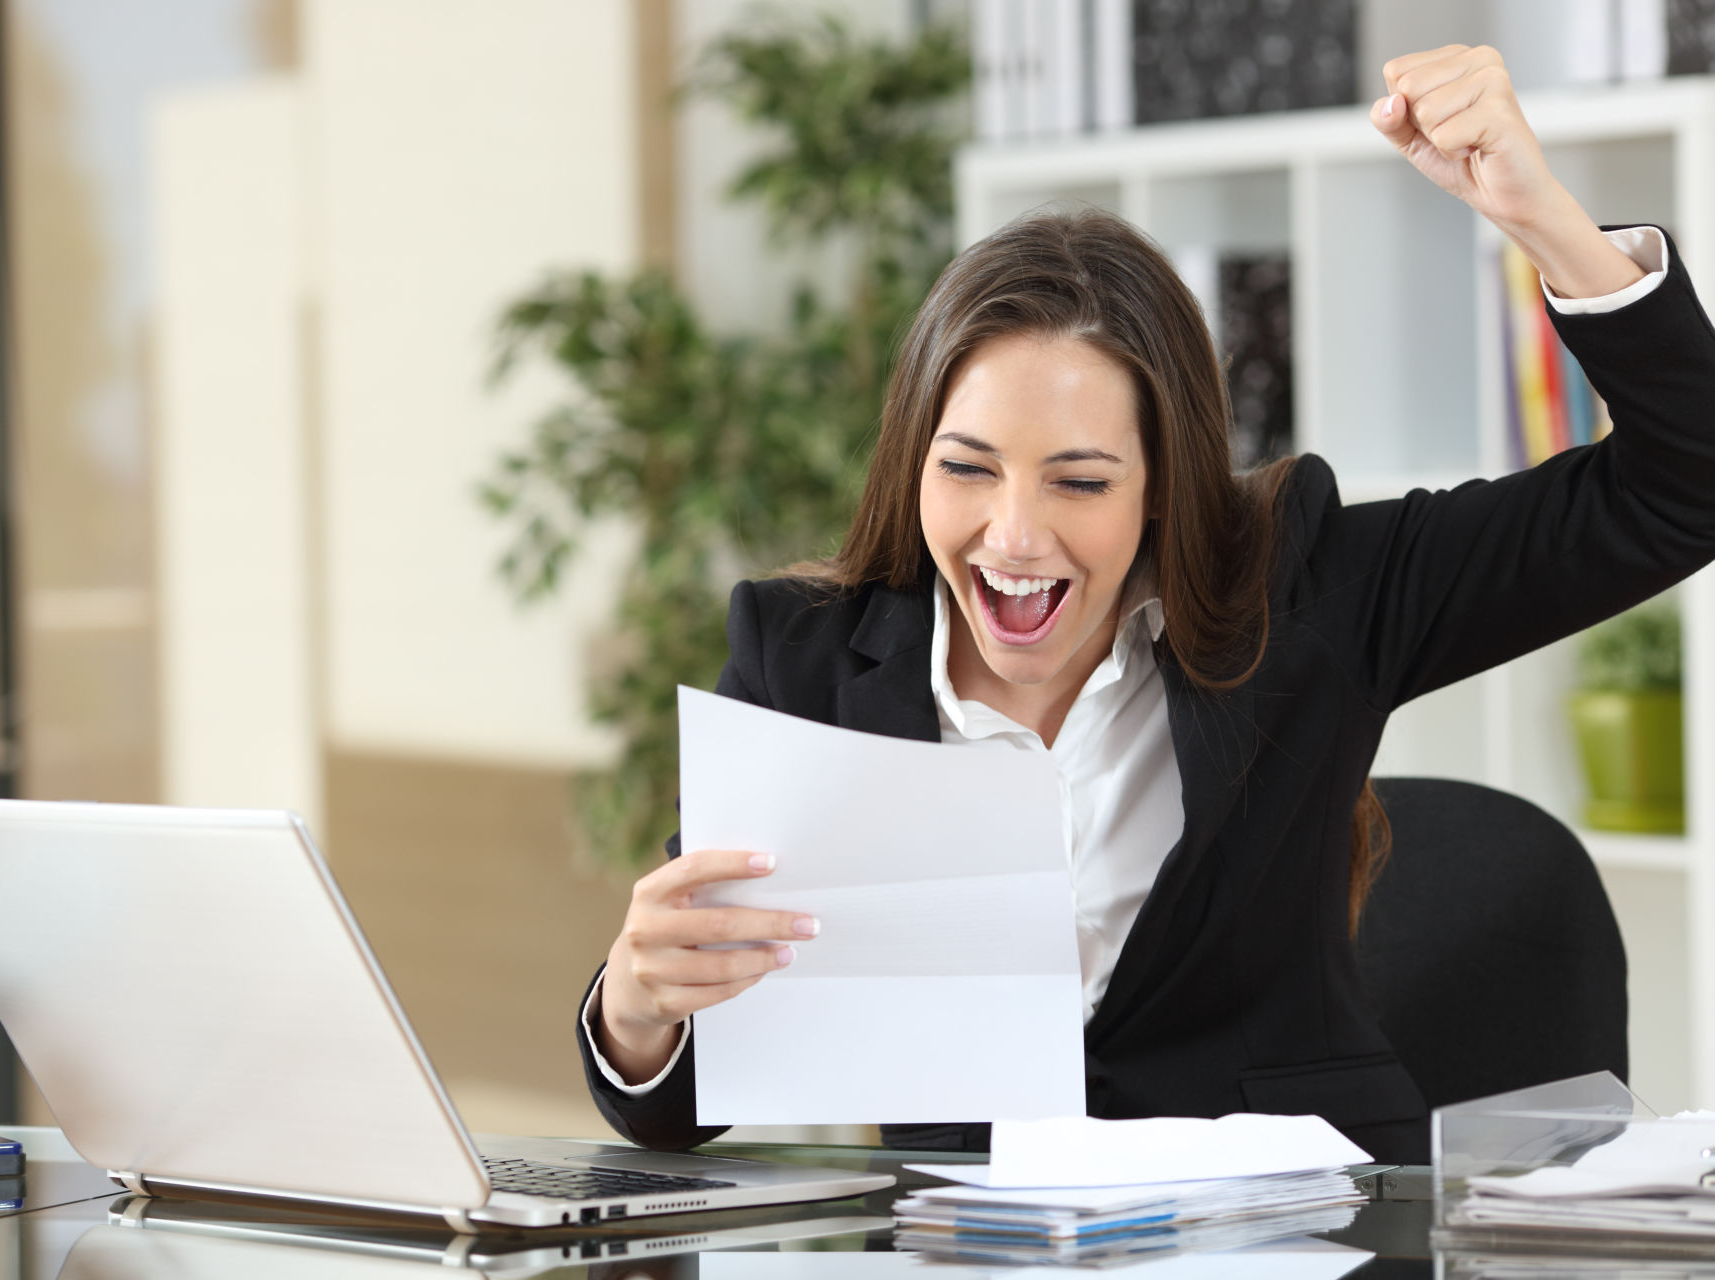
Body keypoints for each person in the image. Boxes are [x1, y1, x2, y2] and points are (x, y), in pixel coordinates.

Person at [573, 45, 1715, 1163]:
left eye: (1079, 480)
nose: (1014, 535)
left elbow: (1684, 487)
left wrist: (1546, 221)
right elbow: (679, 1094)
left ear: (1165, 484)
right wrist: (639, 1008)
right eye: (967, 468)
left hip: (1299, 1231)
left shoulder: (1309, 589)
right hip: (977, 1250)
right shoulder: (803, 661)